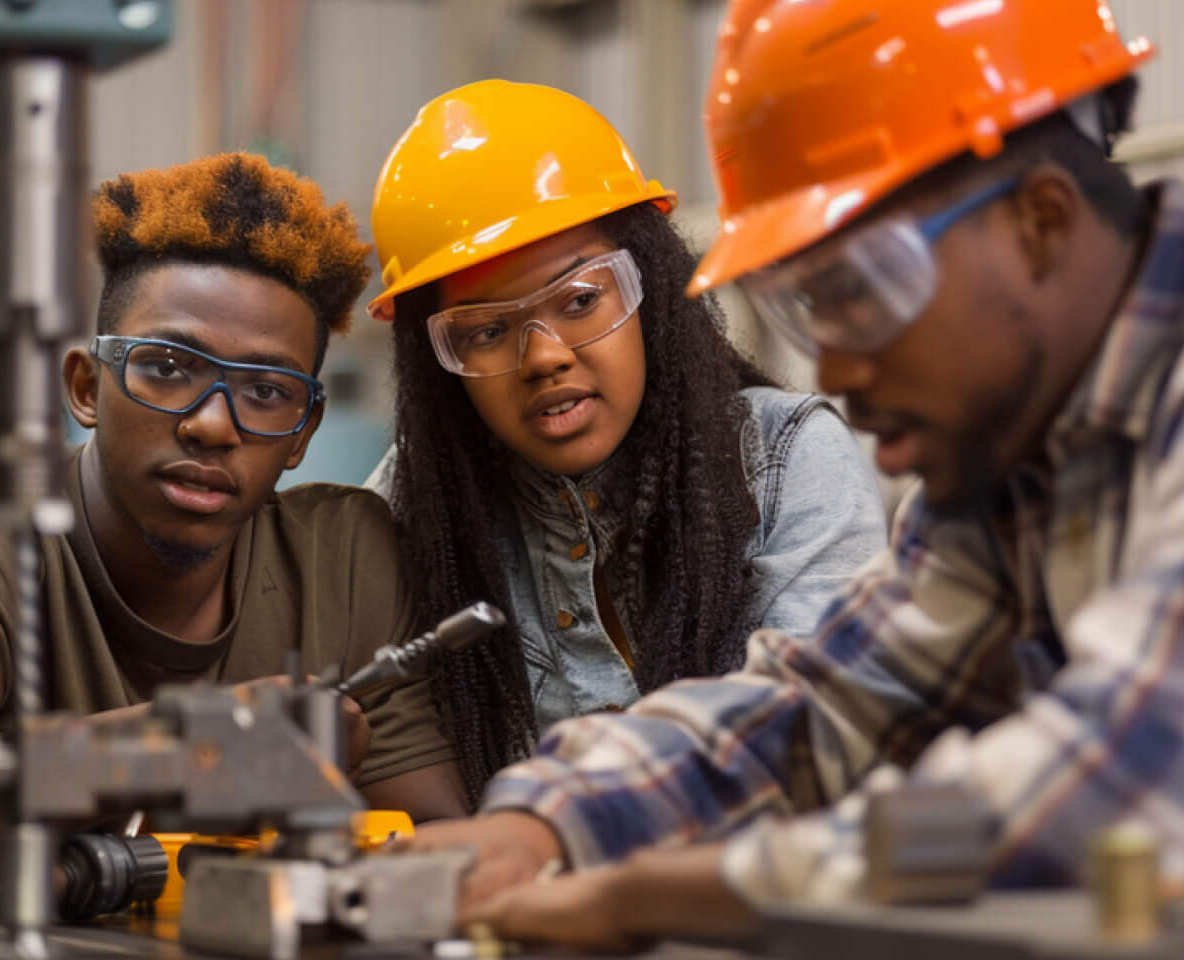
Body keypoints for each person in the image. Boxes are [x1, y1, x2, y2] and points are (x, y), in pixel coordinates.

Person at [409, 0, 1184, 948]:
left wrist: (676, 892)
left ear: (1043, 220)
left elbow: (1141, 794)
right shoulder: (1027, 466)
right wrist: (550, 824)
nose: (836, 368)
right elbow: (829, 709)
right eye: (803, 307)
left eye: (857, 293)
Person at [0, 155, 466, 880]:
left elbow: (437, 848)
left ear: (302, 435)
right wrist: (174, 749)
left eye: (265, 391)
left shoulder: (344, 559)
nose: (213, 425)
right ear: (86, 388)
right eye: (166, 367)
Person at [362, 80, 889, 799]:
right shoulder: (407, 509)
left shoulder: (788, 460)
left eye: (581, 300)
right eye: (486, 331)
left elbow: (811, 735)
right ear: (437, 366)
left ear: (650, 287)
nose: (544, 354)